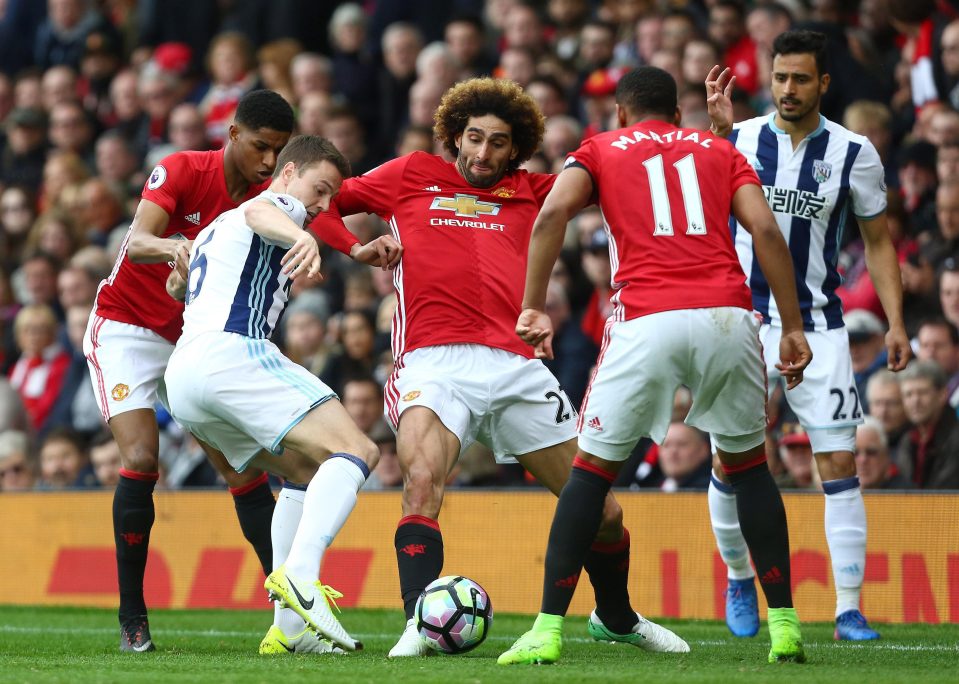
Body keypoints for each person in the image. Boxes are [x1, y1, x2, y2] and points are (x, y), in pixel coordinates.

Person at [305, 77, 686, 658]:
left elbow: (632, 177)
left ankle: (615, 615)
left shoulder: (538, 191)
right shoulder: (411, 173)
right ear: (455, 136)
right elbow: (325, 201)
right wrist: (353, 247)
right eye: (474, 138)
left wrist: (708, 140)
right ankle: (419, 621)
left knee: (604, 512)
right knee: (422, 483)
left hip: (518, 363)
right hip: (433, 361)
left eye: (498, 143)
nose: (483, 153)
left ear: (518, 149)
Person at [498, 65, 812, 667]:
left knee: (590, 475)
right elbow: (766, 229)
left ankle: (546, 629)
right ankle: (786, 626)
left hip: (647, 317)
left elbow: (549, 217)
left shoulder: (600, 149)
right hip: (726, 314)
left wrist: (534, 306)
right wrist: (792, 326)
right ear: (676, 110)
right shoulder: (717, 149)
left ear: (620, 111)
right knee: (748, 469)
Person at [704, 29, 910, 641]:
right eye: (779, 77)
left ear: (824, 82)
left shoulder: (855, 153)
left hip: (820, 324)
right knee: (729, 457)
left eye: (800, 78)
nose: (788, 89)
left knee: (839, 461)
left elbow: (878, 243)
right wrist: (717, 137)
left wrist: (897, 321)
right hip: (741, 321)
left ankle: (848, 608)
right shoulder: (738, 139)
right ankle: (740, 579)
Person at [82, 89, 296, 653]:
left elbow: (320, 212)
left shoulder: (265, 197)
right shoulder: (179, 168)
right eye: (259, 147)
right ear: (231, 135)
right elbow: (138, 242)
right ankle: (133, 616)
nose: (268, 162)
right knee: (141, 457)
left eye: (277, 151)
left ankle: (296, 608)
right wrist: (179, 244)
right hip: (124, 326)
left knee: (241, 469)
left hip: (190, 339)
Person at [164, 135, 382, 654]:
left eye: (332, 198)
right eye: (319, 189)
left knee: (305, 472)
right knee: (359, 449)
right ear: (288, 174)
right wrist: (300, 234)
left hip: (185, 379)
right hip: (231, 354)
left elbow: (178, 287)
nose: (322, 205)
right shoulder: (273, 204)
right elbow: (264, 210)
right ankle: (301, 575)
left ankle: (289, 630)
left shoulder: (215, 227)